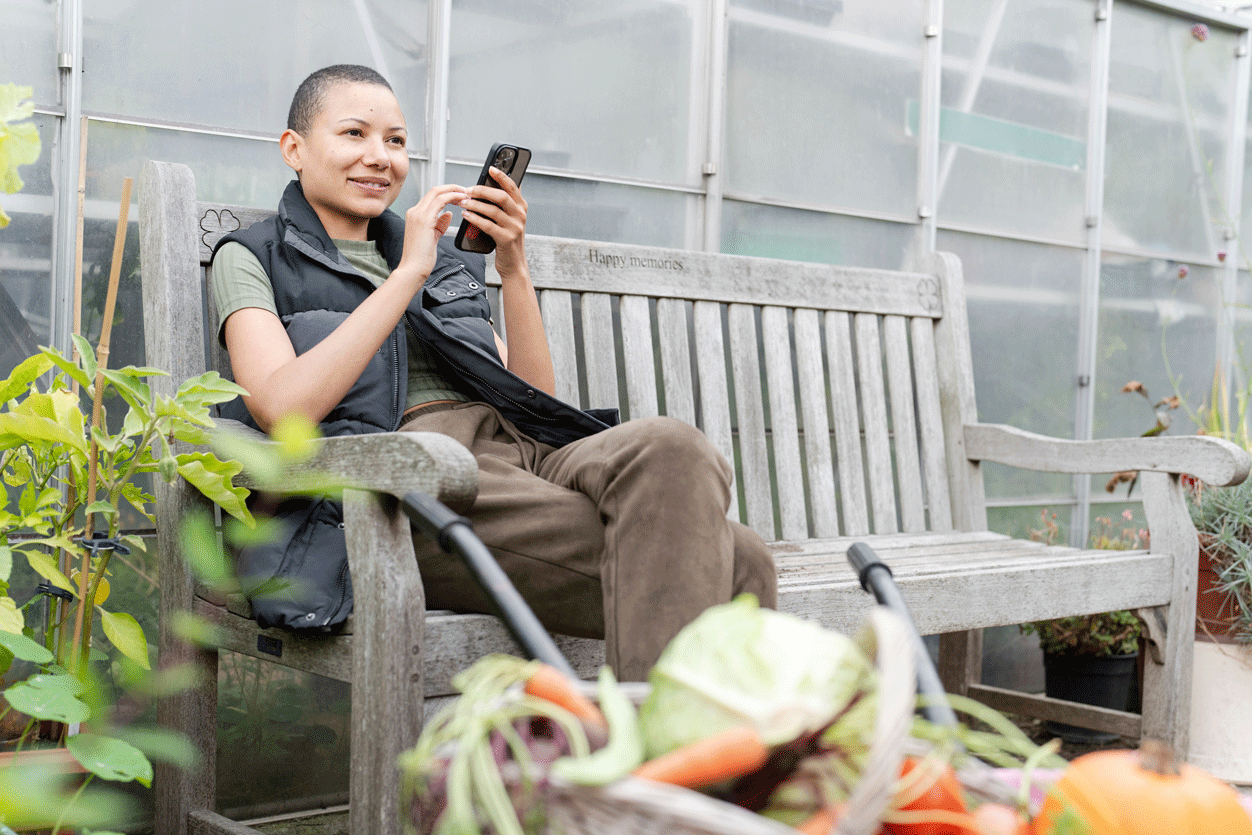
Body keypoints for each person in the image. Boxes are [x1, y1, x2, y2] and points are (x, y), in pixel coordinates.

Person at [209, 64, 776, 681]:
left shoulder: (445, 262)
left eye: (396, 140)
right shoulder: (252, 255)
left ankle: (653, 755)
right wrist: (406, 276)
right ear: (294, 148)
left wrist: (514, 269)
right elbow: (282, 410)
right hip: (407, 481)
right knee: (740, 565)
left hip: (513, 456)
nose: (380, 157)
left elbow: (532, 401)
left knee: (672, 445)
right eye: (354, 134)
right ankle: (667, 762)